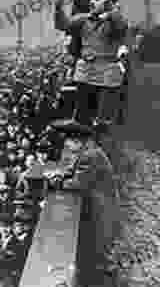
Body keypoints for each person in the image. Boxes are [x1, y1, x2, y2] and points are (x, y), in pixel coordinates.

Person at [54, 0, 128, 127]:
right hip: (87, 61)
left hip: (106, 64)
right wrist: (58, 7)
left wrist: (108, 7)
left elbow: (120, 25)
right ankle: (81, 119)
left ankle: (103, 119)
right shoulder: (83, 5)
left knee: (106, 91)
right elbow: (65, 24)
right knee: (83, 82)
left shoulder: (110, 11)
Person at [46, 119, 119, 285]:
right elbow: (73, 171)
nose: (67, 147)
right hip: (101, 206)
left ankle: (106, 279)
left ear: (77, 141)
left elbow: (78, 183)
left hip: (100, 211)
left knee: (100, 252)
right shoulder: (89, 152)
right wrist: (61, 175)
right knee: (99, 251)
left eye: (69, 143)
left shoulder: (89, 156)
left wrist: (55, 182)